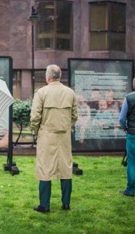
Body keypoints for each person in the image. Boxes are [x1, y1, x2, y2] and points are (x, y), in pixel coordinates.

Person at [30, 64, 78, 213]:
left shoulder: (41, 92)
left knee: (45, 169)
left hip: (46, 135)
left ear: (47, 77)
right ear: (60, 76)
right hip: (64, 136)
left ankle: (44, 205)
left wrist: (36, 130)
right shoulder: (70, 93)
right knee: (66, 168)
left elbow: (35, 116)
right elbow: (75, 116)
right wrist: (66, 126)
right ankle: (66, 204)